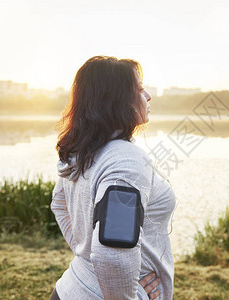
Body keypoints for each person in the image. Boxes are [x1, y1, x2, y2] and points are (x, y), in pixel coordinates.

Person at [50, 56, 176, 299]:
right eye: (139, 89)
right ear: (118, 101)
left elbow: (59, 203)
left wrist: (85, 255)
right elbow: (112, 253)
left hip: (69, 290)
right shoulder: (125, 162)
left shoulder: (85, 149)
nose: (148, 96)